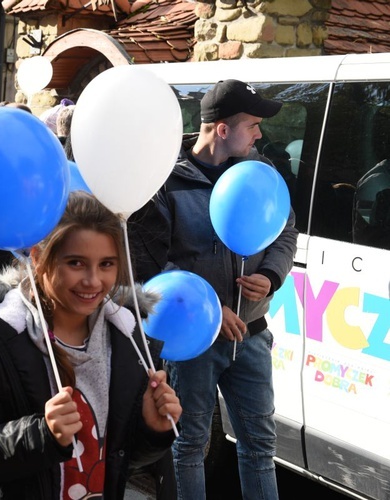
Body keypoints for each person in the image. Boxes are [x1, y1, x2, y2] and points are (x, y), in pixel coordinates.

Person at [0, 191, 181, 498]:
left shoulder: (127, 339)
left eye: (107, 264)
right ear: (38, 258)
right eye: (75, 263)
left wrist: (153, 429)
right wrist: (41, 433)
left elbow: (118, 456)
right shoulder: (0, 338)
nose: (93, 280)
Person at [154, 79, 297, 499]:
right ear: (221, 129)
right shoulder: (166, 180)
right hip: (195, 339)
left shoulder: (261, 171)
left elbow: (285, 231)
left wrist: (271, 275)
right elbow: (154, 260)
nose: (259, 134)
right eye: (252, 125)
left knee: (259, 448)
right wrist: (208, 310)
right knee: (190, 446)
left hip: (252, 334)